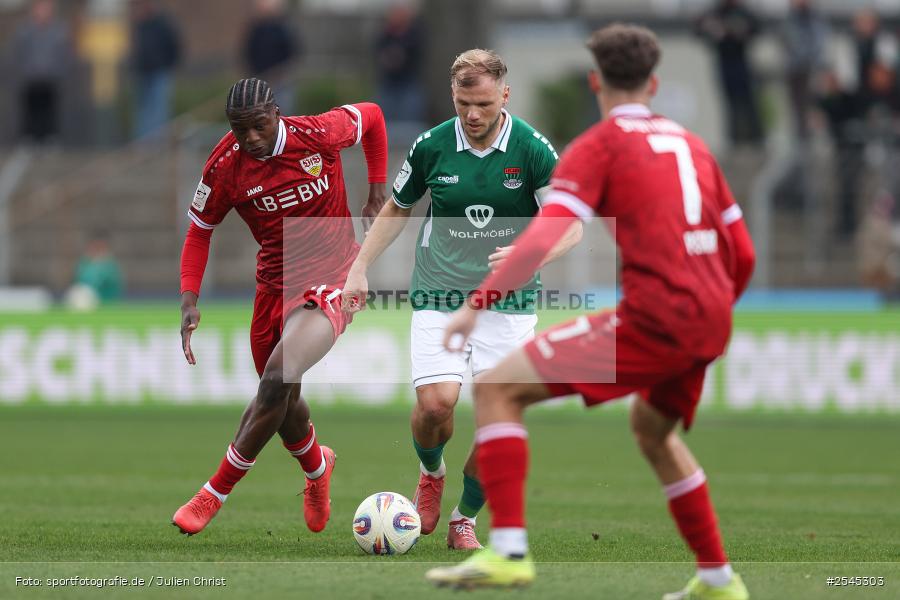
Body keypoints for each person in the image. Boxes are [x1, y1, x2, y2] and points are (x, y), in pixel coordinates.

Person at [426, 24, 756, 600]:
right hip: (711, 315)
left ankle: (506, 553)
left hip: (658, 315)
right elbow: (744, 253)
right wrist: (710, 314)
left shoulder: (599, 146)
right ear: (653, 82)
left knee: (499, 388)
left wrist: (475, 305)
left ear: (595, 81)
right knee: (653, 431)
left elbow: (541, 235)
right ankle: (717, 579)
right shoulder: (693, 145)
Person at [341, 49, 582, 550]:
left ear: (505, 96)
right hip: (440, 291)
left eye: (483, 103)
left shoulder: (534, 149)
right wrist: (359, 268)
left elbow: (571, 225)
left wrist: (529, 254)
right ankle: (431, 474)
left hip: (509, 303)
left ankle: (463, 521)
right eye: (462, 103)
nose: (472, 115)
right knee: (436, 405)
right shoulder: (431, 146)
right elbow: (396, 209)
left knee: (500, 418)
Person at [172, 78, 388, 535]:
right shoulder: (225, 166)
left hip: (333, 276)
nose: (250, 138)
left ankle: (214, 492)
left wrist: (375, 188)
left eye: (259, 125)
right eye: (238, 129)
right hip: (274, 283)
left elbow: (373, 115)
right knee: (283, 401)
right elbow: (199, 230)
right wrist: (189, 298)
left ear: (276, 113)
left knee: (276, 377)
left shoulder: (319, 134)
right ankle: (317, 469)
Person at [695, 0, 763, 145]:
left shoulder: (743, 12)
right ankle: (734, 140)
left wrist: (737, 31)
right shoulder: (714, 13)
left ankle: (756, 139)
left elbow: (756, 29)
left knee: (749, 102)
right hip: (723, 62)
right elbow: (698, 30)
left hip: (742, 62)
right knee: (729, 103)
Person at [11, 0, 70, 144]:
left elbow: (62, 53)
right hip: (31, 77)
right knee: (31, 109)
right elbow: (20, 52)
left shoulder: (58, 31)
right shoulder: (25, 30)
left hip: (50, 77)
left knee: (50, 109)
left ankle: (50, 137)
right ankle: (29, 137)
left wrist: (58, 70)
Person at [131, 0, 181, 139]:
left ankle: (158, 141)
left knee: (159, 109)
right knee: (143, 111)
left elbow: (175, 46)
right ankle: (144, 142)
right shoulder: (139, 26)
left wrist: (169, 65)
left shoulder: (163, 24)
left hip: (159, 71)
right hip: (142, 73)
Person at [243, 0, 301, 115]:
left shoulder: (284, 29)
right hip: (260, 80)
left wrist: (281, 73)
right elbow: (248, 52)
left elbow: (292, 53)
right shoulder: (256, 30)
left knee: (282, 111)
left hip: (281, 81)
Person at [72, 234, 124, 304]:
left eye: (101, 247)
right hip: (87, 302)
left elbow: (114, 286)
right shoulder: (84, 263)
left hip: (107, 303)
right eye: (95, 247)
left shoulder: (111, 266)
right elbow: (80, 283)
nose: (98, 250)